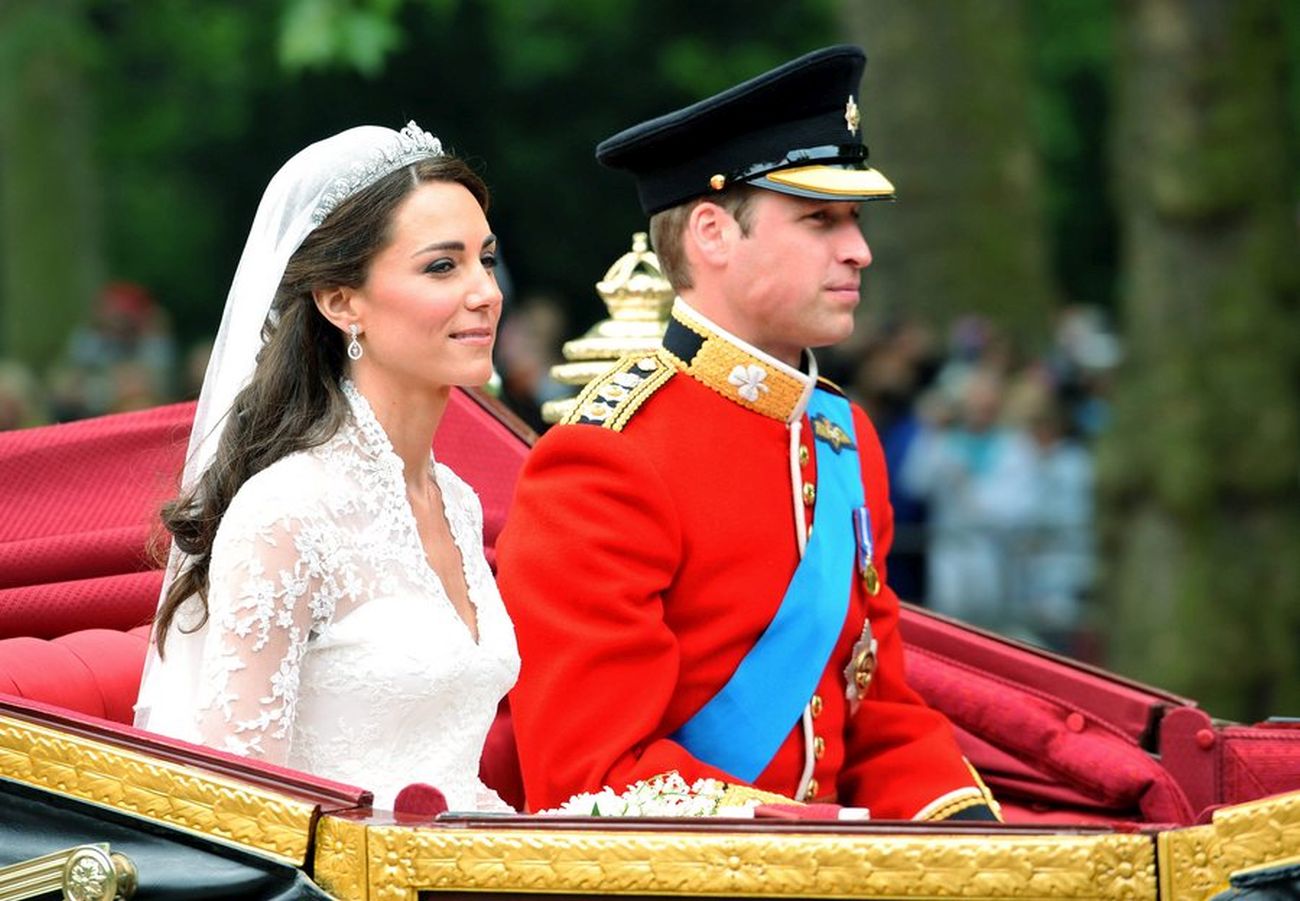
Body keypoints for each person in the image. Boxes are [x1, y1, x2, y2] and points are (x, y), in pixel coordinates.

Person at [495, 46, 1000, 820]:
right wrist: (831, 842)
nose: (858, 250)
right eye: (820, 219)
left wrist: (973, 841)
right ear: (712, 234)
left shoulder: (842, 435)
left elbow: (880, 715)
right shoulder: (605, 456)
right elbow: (589, 776)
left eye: (855, 220)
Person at [133, 122, 519, 812]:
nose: (485, 291)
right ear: (343, 302)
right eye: (442, 266)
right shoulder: (288, 511)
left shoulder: (455, 501)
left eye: (484, 260)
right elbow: (242, 812)